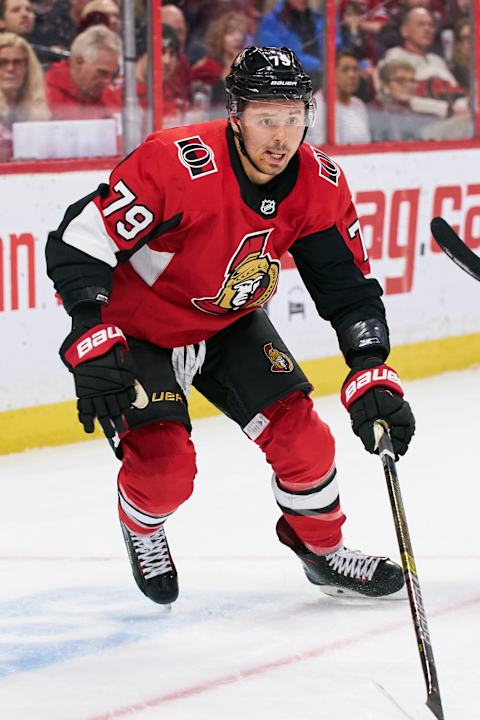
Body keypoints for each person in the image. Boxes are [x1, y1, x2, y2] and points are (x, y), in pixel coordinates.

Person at [46, 46, 415, 607]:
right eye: (267, 118)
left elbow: (347, 288)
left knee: (306, 442)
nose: (281, 137)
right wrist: (89, 332)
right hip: (139, 326)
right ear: (236, 115)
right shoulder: (175, 161)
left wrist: (370, 366)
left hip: (228, 322)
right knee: (166, 469)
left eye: (294, 118)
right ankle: (143, 526)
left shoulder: (318, 183)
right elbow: (80, 239)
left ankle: (319, 549)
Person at [380, 7, 467, 119]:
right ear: (404, 31)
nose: (427, 29)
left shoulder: (437, 60)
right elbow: (395, 97)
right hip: (416, 122)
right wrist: (445, 109)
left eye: (431, 25)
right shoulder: (394, 56)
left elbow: (457, 93)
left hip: (453, 119)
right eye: (420, 24)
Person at [45, 24, 120, 120]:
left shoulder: (110, 97)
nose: (107, 82)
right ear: (78, 62)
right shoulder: (44, 97)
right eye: (101, 73)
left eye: (112, 75)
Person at [0, 31, 49, 160]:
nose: (10, 69)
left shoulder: (38, 110)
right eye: (2, 63)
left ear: (27, 68)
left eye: (17, 62)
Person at [191, 11, 250, 112]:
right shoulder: (206, 69)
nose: (238, 38)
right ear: (219, 38)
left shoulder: (249, 68)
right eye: (231, 33)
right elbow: (199, 109)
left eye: (241, 33)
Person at [309, 51, 371, 144]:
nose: (352, 75)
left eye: (355, 69)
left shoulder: (359, 104)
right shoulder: (317, 107)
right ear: (330, 73)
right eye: (345, 70)